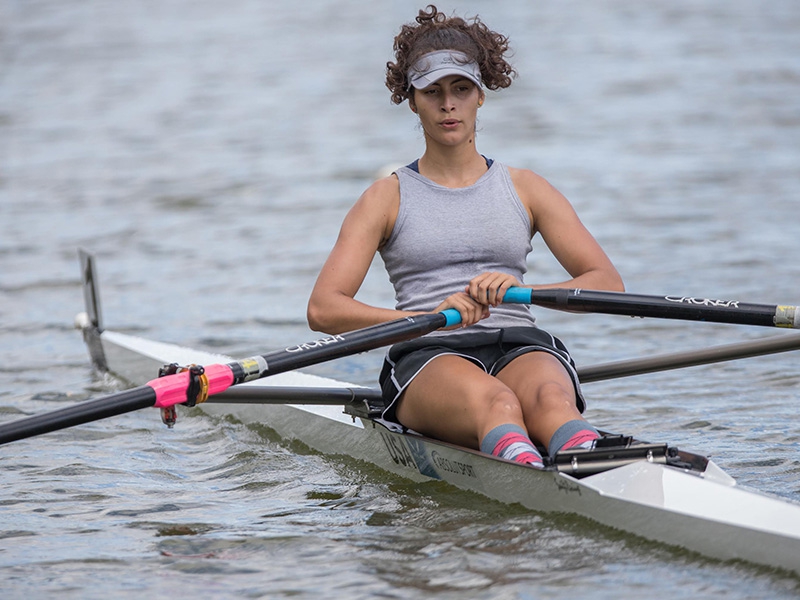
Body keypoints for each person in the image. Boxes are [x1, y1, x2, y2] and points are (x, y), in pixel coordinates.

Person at [307, 5, 624, 468]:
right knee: (497, 405)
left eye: (461, 88)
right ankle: (526, 469)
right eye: (432, 92)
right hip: (429, 351)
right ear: (412, 101)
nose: (448, 104)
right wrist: (426, 315)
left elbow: (607, 284)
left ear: (481, 95)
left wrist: (521, 292)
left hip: (519, 342)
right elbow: (323, 308)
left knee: (553, 400)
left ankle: (589, 464)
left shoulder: (527, 188)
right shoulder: (384, 198)